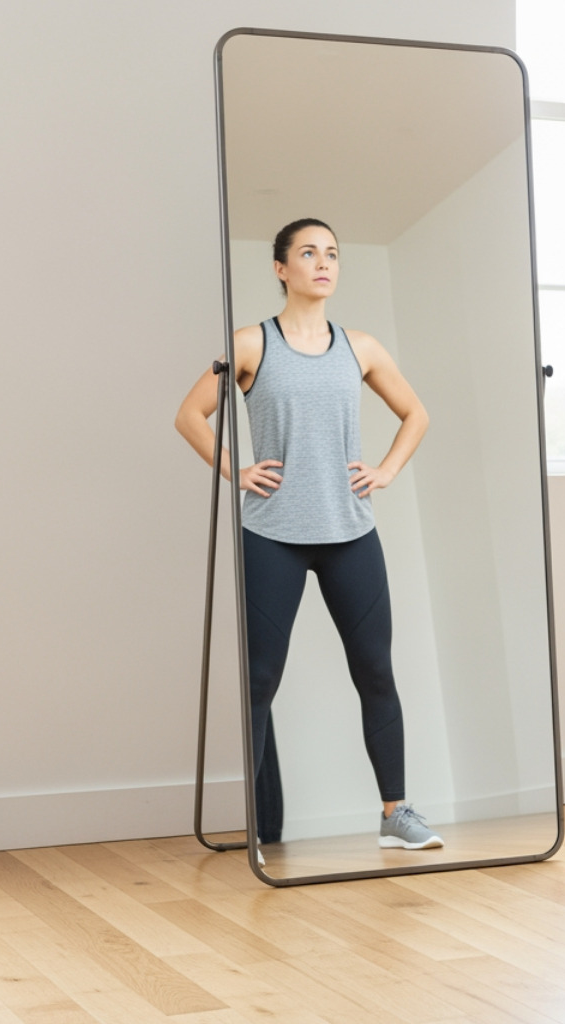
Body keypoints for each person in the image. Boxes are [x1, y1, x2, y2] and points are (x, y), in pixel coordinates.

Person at [175, 217, 443, 853]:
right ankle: (256, 824)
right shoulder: (249, 344)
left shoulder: (361, 347)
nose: (323, 263)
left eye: (331, 254)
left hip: (350, 531)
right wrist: (237, 471)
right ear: (280, 268)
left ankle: (396, 813)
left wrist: (384, 470)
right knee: (260, 679)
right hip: (273, 534)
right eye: (308, 253)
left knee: (375, 672)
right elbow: (190, 415)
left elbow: (416, 413)